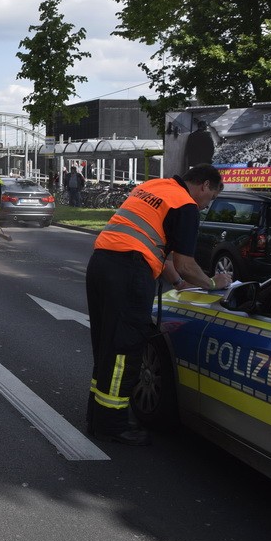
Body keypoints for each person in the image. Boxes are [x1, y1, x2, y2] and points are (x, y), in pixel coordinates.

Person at [86, 163, 229, 446]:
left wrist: (177, 284)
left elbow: (155, 250)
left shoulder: (153, 187)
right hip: (129, 273)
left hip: (101, 264)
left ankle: (97, 416)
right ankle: (113, 424)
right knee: (125, 348)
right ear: (205, 186)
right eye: (210, 198)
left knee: (106, 345)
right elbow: (185, 264)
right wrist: (214, 283)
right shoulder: (185, 205)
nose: (205, 206)